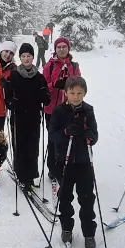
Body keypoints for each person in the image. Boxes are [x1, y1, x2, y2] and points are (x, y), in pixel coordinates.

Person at [48, 76, 98, 248]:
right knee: (65, 197)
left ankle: (89, 233)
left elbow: (95, 136)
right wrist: (65, 132)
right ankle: (66, 228)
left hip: (84, 162)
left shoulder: (88, 110)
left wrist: (90, 136)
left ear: (84, 93)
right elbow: (52, 135)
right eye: (72, 93)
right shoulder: (59, 111)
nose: (76, 96)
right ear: (66, 93)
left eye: (79, 93)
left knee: (87, 198)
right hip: (65, 161)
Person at [3, 42, 51, 191]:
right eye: (23, 56)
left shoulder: (39, 76)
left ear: (33, 57)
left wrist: (44, 95)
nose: (26, 58)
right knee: (20, 146)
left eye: (29, 55)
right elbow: (8, 98)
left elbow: (47, 98)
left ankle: (30, 175)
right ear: (20, 58)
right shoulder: (14, 75)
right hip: (18, 117)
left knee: (32, 147)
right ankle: (21, 175)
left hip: (34, 117)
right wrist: (11, 101)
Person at [42, 36, 81, 180]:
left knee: (67, 138)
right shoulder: (50, 65)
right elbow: (43, 86)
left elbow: (79, 87)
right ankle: (53, 169)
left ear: (68, 48)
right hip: (51, 109)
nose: (62, 49)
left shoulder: (74, 66)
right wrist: (55, 85)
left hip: (69, 109)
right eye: (59, 47)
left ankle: (65, 167)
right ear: (55, 49)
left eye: (64, 46)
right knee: (53, 139)